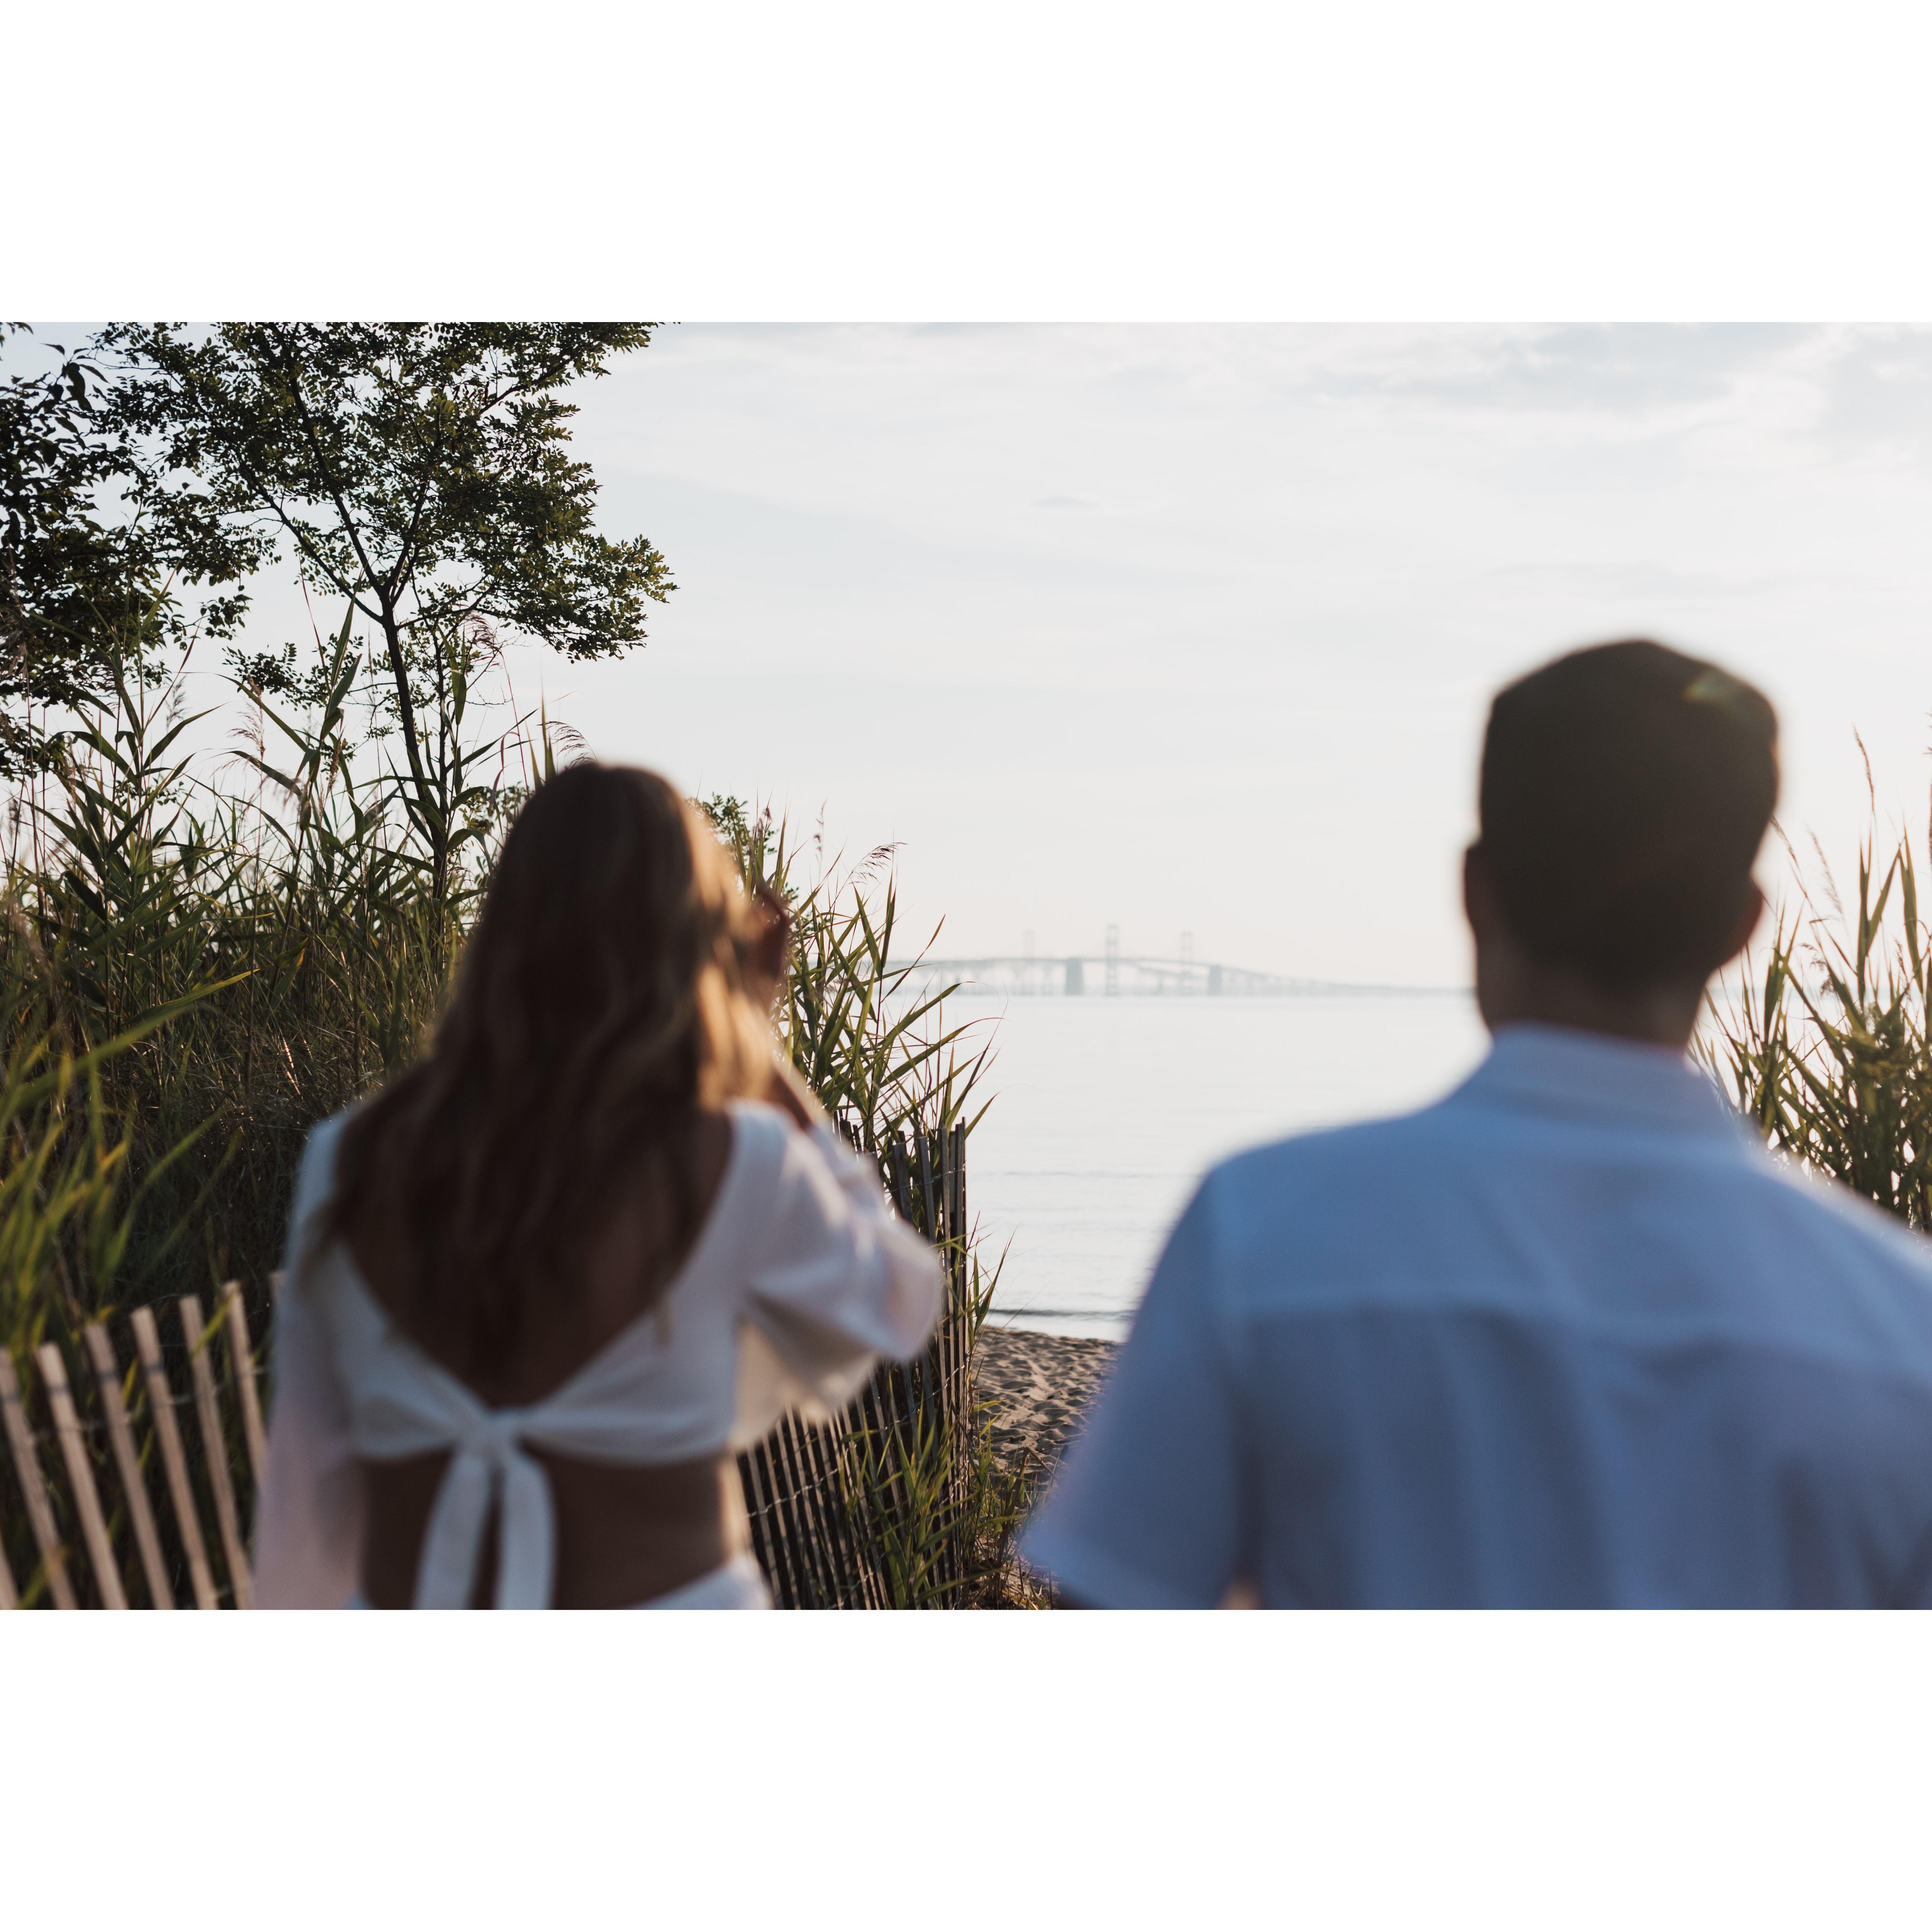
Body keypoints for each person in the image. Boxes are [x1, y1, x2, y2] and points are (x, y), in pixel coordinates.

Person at [1021, 638, 1932, 1608]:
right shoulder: (1899, 1322)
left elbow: (1116, 1600)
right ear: (1741, 928)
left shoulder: (1261, 1232)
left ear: (1472, 890)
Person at [253, 765, 941, 1609]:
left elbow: (307, 1493)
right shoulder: (740, 1161)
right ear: (695, 949)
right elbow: (898, 1300)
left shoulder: (350, 1158)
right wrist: (762, 1046)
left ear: (504, 928)